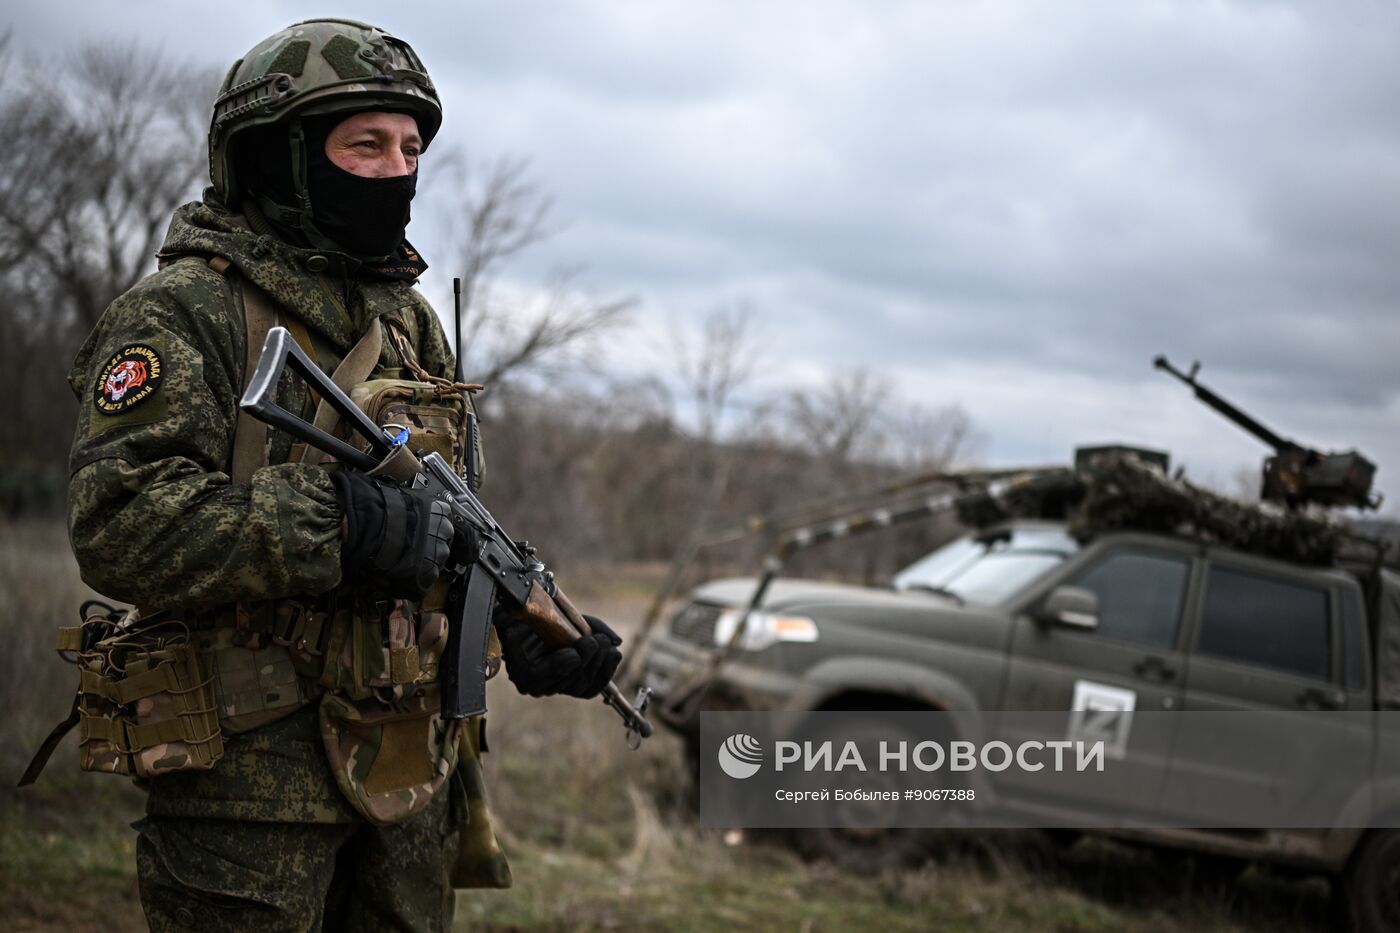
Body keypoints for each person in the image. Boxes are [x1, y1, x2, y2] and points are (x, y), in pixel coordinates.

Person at [63, 18, 621, 932]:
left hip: (408, 784)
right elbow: (118, 524)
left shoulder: (410, 324)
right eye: (365, 144)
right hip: (246, 793)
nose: (398, 169)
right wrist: (332, 520)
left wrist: (521, 626)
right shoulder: (185, 310)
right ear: (277, 159)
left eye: (410, 148)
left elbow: (446, 524)